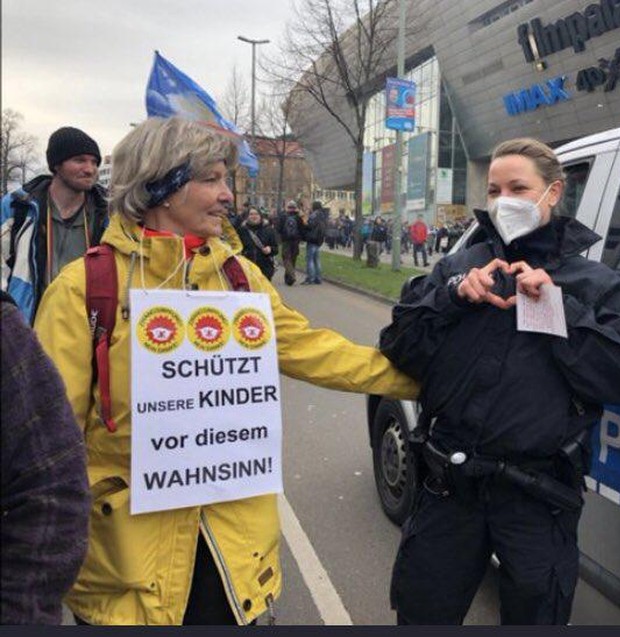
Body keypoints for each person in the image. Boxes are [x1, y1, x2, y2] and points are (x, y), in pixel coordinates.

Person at [32, 116, 418, 626]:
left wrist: (418, 380)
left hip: (232, 560)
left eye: (226, 181)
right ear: (162, 187)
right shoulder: (86, 286)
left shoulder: (240, 275)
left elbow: (310, 348)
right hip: (127, 566)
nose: (228, 196)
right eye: (211, 180)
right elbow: (45, 442)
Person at [379, 137, 620, 625]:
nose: (503, 200)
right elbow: (399, 347)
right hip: (450, 488)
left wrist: (559, 309)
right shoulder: (458, 266)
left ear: (552, 193)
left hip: (537, 498)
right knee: (421, 612)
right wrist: (451, 297)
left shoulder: (594, 285)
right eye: (494, 190)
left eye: (518, 187)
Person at [1, 290, 90, 624]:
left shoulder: (245, 280)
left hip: (234, 565)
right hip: (122, 572)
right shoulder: (76, 288)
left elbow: (55, 479)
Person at [1, 126, 108, 323]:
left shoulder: (107, 212)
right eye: (80, 160)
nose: (90, 169)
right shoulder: (19, 207)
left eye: (94, 162)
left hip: (85, 327)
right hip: (29, 327)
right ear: (56, 165)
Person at [239, 207, 278, 281]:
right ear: (247, 217)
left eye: (256, 214)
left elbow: (276, 249)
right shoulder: (242, 230)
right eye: (251, 214)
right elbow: (238, 247)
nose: (254, 216)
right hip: (247, 267)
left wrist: (270, 249)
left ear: (260, 216)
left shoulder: (268, 230)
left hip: (265, 268)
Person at [277, 200, 303, 285]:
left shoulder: (283, 216)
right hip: (295, 241)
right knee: (293, 259)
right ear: (295, 208)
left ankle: (291, 276)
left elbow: (278, 228)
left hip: (286, 240)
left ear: (287, 208)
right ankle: (288, 279)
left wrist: (279, 237)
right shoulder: (298, 217)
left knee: (286, 259)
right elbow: (302, 228)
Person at [302, 201, 326, 284]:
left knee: (310, 260)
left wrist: (305, 222)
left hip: (312, 239)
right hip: (318, 240)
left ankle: (310, 278)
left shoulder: (314, 215)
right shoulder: (322, 215)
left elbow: (309, 225)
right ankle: (318, 278)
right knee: (316, 259)